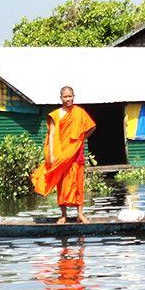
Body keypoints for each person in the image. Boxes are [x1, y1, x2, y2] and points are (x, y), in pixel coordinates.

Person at [31, 86, 96, 224]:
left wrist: (81, 139)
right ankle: (63, 215)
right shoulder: (56, 115)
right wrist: (51, 155)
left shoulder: (79, 112)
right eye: (65, 97)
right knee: (62, 184)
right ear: (61, 98)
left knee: (78, 184)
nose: (68, 99)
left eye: (70, 96)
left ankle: (80, 214)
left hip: (76, 153)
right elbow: (52, 135)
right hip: (62, 154)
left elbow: (92, 127)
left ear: (74, 96)